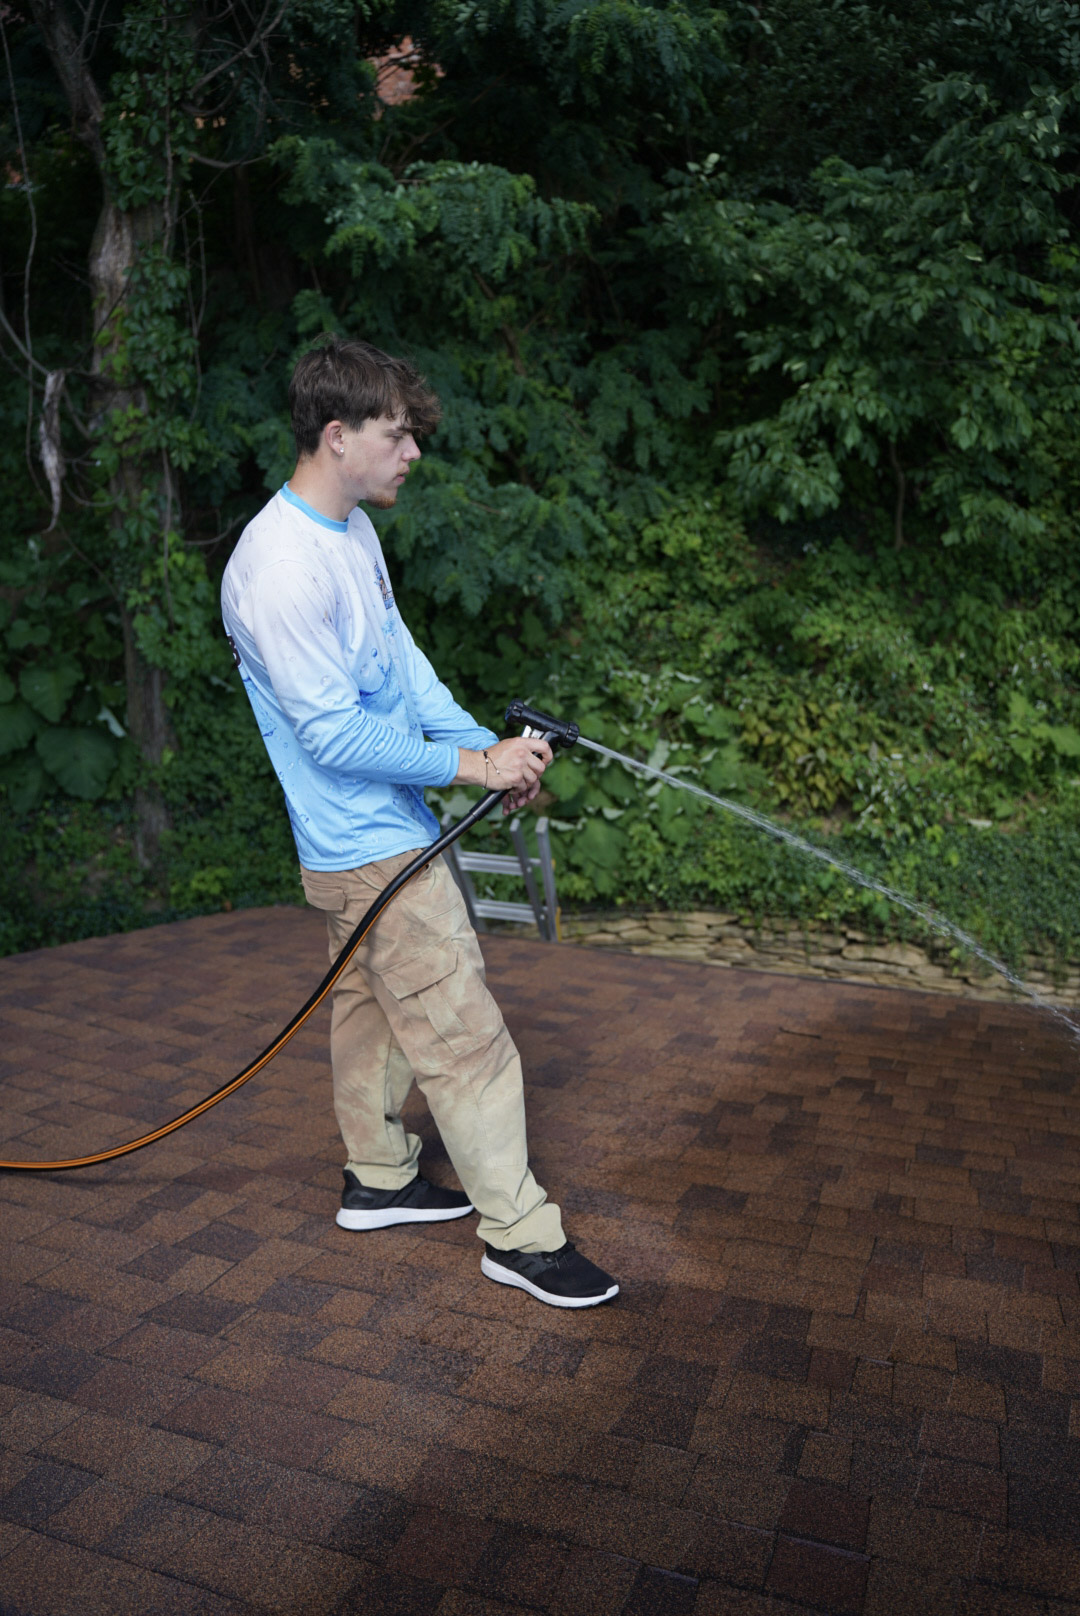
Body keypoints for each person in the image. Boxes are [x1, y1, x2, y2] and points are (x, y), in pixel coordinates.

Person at [220, 335, 618, 1308]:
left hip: (381, 828)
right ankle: (519, 1235)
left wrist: (488, 748)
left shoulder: (348, 531)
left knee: (369, 1008)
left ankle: (380, 1177)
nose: (414, 454)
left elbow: (402, 669)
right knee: (462, 1031)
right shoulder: (276, 570)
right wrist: (471, 764)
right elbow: (333, 737)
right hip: (366, 844)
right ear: (336, 433)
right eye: (397, 435)